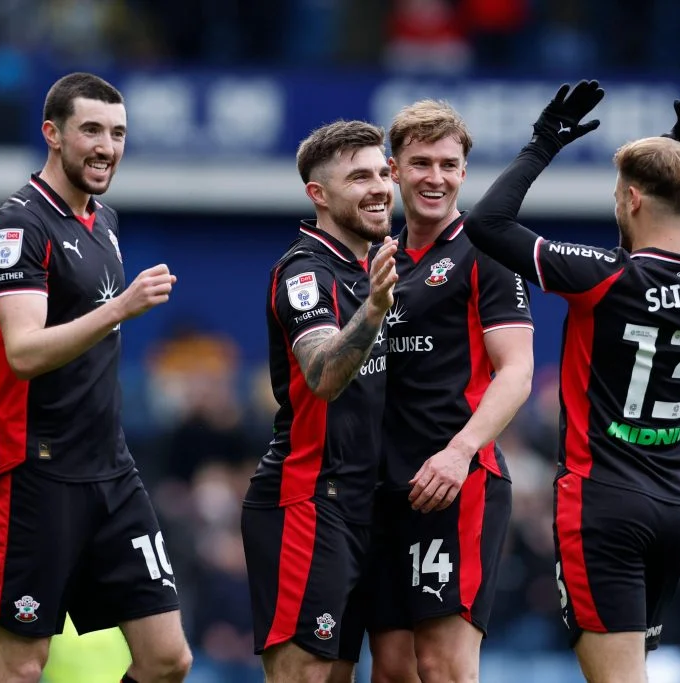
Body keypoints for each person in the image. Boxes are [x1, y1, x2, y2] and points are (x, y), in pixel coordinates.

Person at [464, 82, 680, 683]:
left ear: (631, 198)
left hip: (602, 504)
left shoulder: (605, 276)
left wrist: (543, 143)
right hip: (674, 507)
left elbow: (487, 223)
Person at [0, 72, 192, 683]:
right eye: (91, 130)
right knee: (23, 664)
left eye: (118, 133)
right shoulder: (20, 225)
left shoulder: (105, 221)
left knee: (168, 660)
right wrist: (119, 308)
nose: (107, 147)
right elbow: (23, 352)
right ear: (53, 134)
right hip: (37, 469)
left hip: (111, 468)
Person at [366, 99, 535, 683]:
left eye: (447, 165)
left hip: (456, 483)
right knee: (391, 669)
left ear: (464, 172)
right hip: (385, 487)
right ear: (394, 170)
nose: (434, 178)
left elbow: (517, 371)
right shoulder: (379, 259)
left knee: (443, 666)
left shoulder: (486, 250)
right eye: (420, 163)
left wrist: (460, 452)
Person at [241, 120, 399, 683]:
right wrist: (375, 309)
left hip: (363, 504)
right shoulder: (304, 272)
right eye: (359, 177)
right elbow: (323, 375)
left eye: (382, 173)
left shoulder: (370, 266)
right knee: (302, 676)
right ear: (319, 194)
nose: (379, 187)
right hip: (307, 499)